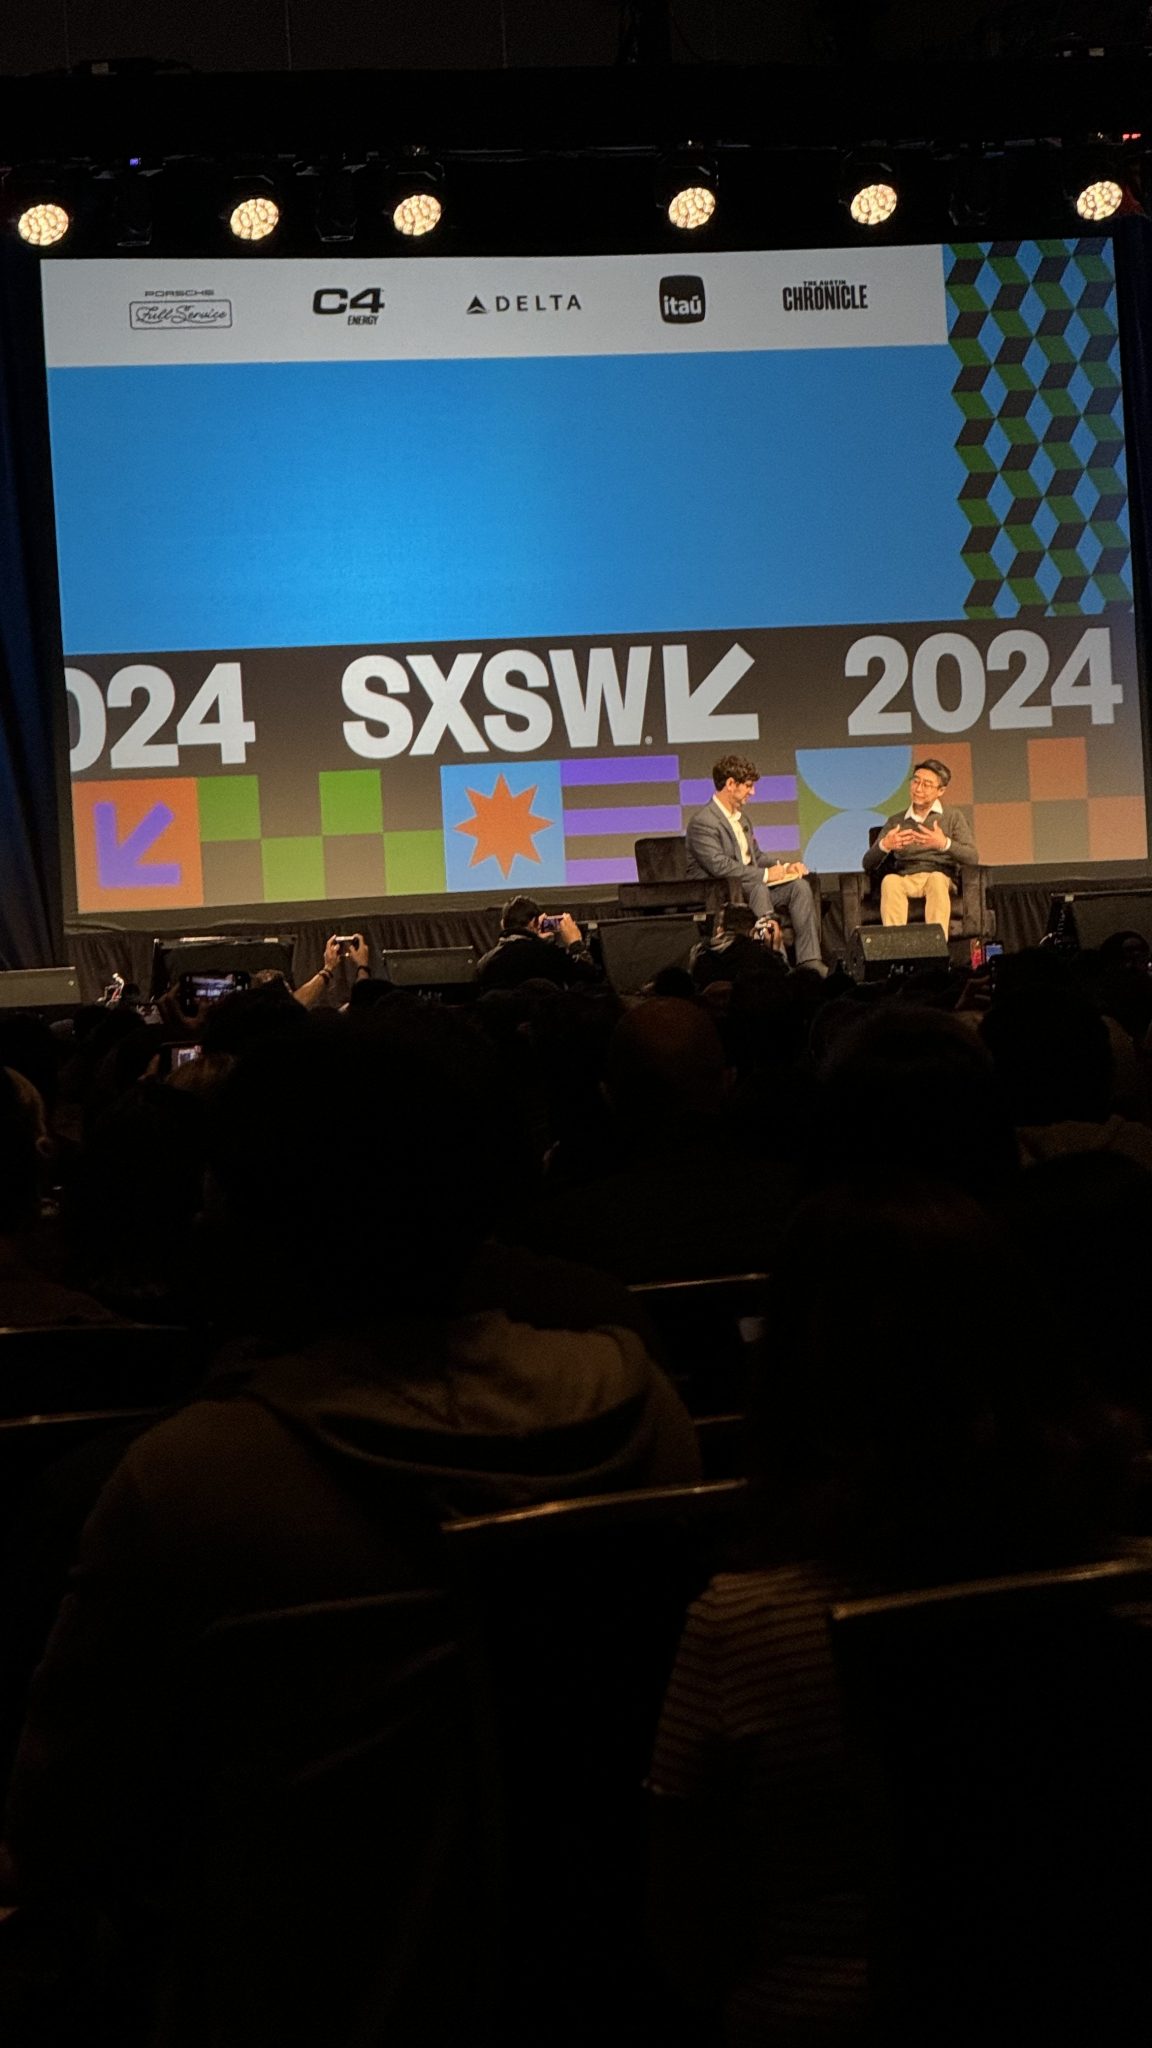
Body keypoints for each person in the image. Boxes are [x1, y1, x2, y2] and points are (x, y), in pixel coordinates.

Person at [685, 757, 824, 972]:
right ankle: (778, 963)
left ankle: (810, 961)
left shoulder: (742, 820)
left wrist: (785, 868)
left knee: (799, 887)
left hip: (750, 889)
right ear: (730, 784)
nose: (753, 792)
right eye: (748, 786)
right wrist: (766, 875)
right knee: (759, 888)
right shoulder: (703, 822)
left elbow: (755, 857)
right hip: (722, 893)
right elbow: (720, 866)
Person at [863, 758, 977, 937]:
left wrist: (944, 844)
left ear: (940, 790)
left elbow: (972, 857)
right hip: (905, 877)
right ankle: (895, 946)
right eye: (915, 781)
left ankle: (936, 945)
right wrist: (885, 845)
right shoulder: (896, 821)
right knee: (890, 881)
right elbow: (867, 863)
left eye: (927, 785)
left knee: (936, 879)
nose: (918, 789)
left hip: (939, 876)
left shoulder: (953, 817)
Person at [475, 896, 599, 991]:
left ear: (503, 924)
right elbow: (591, 978)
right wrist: (575, 944)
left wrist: (539, 941)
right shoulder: (548, 955)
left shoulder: (484, 962)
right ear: (534, 922)